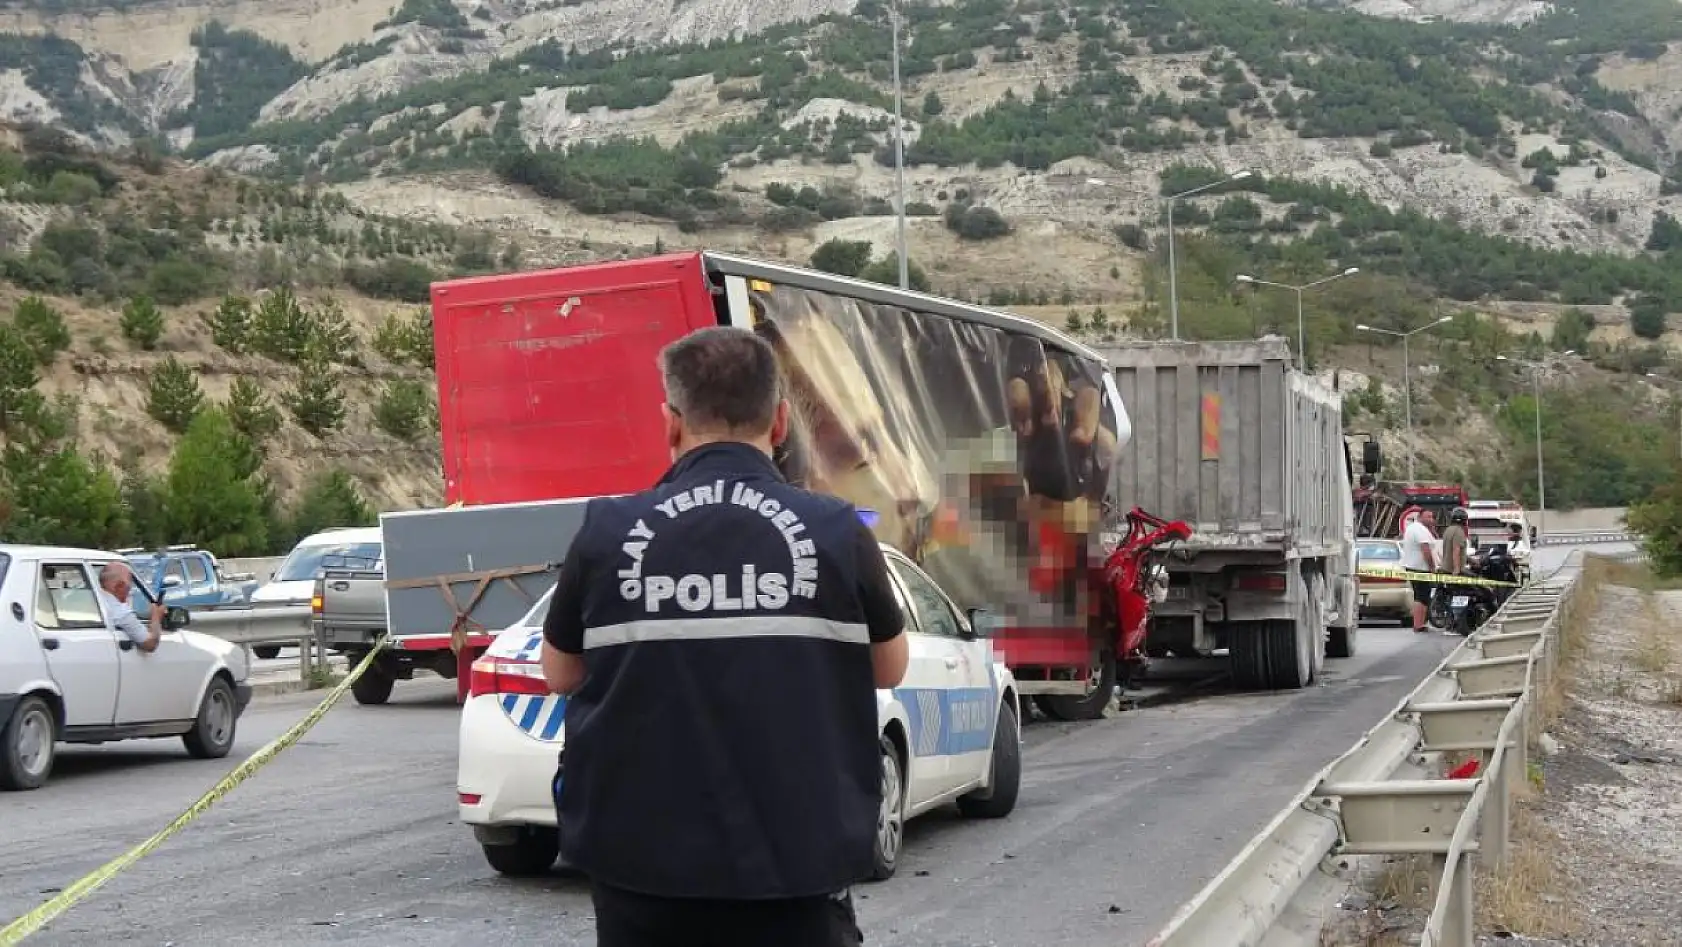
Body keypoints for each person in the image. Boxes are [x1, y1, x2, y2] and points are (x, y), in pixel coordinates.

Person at [538, 325, 911, 947]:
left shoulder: (606, 530)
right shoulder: (838, 530)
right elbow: (889, 667)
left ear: (671, 422)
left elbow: (561, 673)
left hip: (642, 874)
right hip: (797, 869)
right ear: (781, 421)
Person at [97, 562, 163, 653]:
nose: (130, 588)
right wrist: (156, 617)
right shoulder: (121, 612)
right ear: (119, 585)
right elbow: (150, 644)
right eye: (129, 583)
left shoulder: (95, 600)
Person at [1399, 509, 1438, 634]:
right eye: (1428, 517)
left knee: (1419, 595)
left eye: (1432, 517)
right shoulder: (1419, 529)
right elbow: (1425, 549)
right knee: (1422, 596)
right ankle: (1419, 624)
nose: (1431, 519)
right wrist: (1432, 567)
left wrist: (1431, 530)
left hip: (1413, 566)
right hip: (1420, 568)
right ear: (1420, 517)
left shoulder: (1414, 528)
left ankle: (1419, 623)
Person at [1441, 507, 1470, 575]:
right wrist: (1456, 569)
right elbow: (1456, 550)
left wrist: (1470, 560)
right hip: (1453, 571)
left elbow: (1450, 550)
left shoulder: (1448, 529)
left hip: (1446, 568)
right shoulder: (1458, 531)